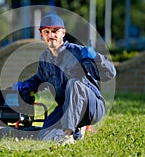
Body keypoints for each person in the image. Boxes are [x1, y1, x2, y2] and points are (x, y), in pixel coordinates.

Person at [13, 13, 116, 145]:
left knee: (74, 84)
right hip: (66, 108)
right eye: (47, 32)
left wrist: (96, 57)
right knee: (44, 136)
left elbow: (110, 74)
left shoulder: (78, 52)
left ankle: (68, 135)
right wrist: (24, 85)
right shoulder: (44, 58)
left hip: (92, 106)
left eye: (55, 31)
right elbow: (38, 79)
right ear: (42, 35)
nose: (51, 35)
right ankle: (78, 129)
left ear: (63, 33)